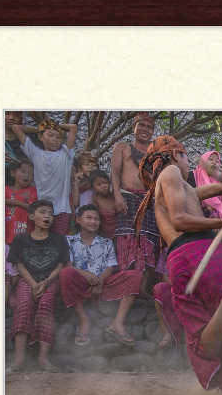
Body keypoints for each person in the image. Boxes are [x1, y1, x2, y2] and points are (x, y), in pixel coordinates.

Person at [136, 135, 222, 395]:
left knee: (205, 338)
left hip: (185, 258)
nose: (188, 165)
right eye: (186, 156)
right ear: (176, 155)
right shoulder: (170, 172)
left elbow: (211, 191)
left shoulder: (179, 184)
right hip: (202, 251)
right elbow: (180, 220)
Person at [59, 204, 141, 345]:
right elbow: (68, 265)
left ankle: (117, 323)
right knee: (66, 273)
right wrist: (85, 274)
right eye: (89, 218)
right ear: (78, 219)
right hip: (80, 284)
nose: (93, 221)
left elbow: (111, 266)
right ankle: (84, 320)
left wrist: (100, 283)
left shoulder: (106, 242)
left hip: (104, 285)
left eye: (97, 219)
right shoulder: (68, 240)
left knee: (134, 275)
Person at [6, 200, 70, 373]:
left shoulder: (59, 239)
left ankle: (43, 358)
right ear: (31, 216)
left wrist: (46, 282)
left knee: (46, 304)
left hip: (51, 281)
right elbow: (19, 266)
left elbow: (60, 265)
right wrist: (34, 284)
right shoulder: (20, 239)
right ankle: (19, 360)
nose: (47, 216)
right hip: (28, 281)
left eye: (50, 213)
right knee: (24, 305)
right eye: (42, 212)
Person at [109, 112, 161, 295]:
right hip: (128, 198)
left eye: (149, 127)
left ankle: (141, 288)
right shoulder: (122, 147)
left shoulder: (155, 153)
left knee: (147, 242)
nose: (145, 130)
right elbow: (115, 173)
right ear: (134, 127)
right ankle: (126, 285)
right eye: (142, 125)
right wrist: (117, 196)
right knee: (128, 241)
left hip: (148, 202)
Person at [13, 117, 79, 236]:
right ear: (40, 137)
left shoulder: (65, 154)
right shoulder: (36, 153)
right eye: (50, 135)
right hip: (41, 208)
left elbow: (73, 128)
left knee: (60, 242)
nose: (55, 139)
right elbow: (16, 128)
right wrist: (40, 130)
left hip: (61, 209)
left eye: (58, 137)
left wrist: (54, 126)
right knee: (42, 241)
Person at [5, 159, 37, 303]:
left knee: (18, 270)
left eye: (30, 174)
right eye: (23, 172)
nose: (27, 176)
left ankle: (12, 293)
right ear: (12, 173)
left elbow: (34, 208)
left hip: (23, 237)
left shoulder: (32, 191)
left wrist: (16, 203)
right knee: (6, 269)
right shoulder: (4, 190)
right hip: (5, 236)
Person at [193, 151, 222, 218]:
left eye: (217, 161)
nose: (214, 162)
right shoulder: (192, 176)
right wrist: (206, 210)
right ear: (203, 161)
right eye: (210, 159)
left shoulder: (219, 183)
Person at [89, 170, 117, 239]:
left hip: (118, 233)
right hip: (103, 234)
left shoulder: (116, 196)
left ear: (109, 183)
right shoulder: (95, 198)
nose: (103, 186)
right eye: (98, 184)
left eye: (105, 183)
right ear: (93, 187)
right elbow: (95, 216)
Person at [4, 111, 27, 186]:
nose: (11, 118)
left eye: (16, 115)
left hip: (26, 191)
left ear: (21, 118)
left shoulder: (27, 140)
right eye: (7, 113)